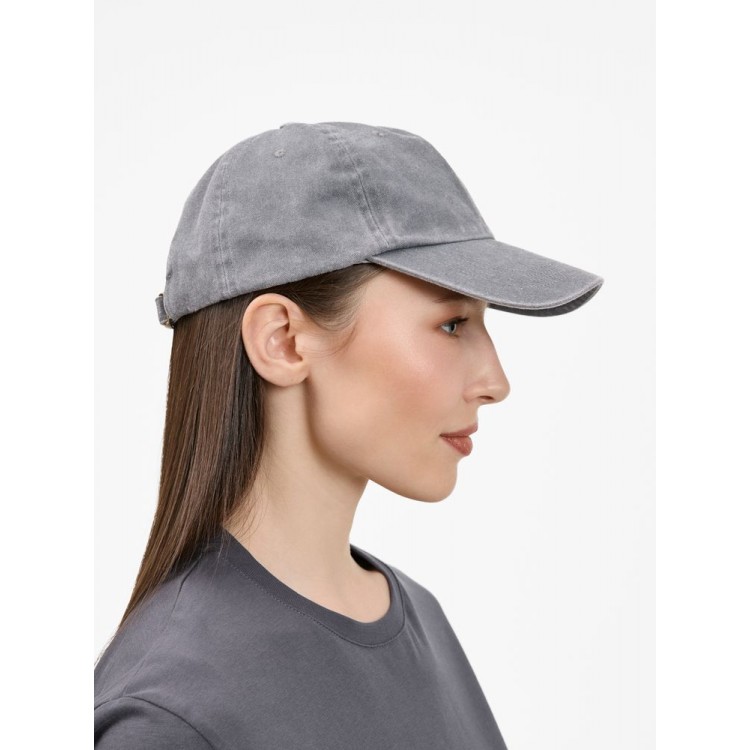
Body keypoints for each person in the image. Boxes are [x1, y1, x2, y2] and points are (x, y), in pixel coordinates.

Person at [94, 121, 604, 749]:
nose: (495, 382)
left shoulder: (416, 616)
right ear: (282, 341)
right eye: (452, 325)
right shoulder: (168, 717)